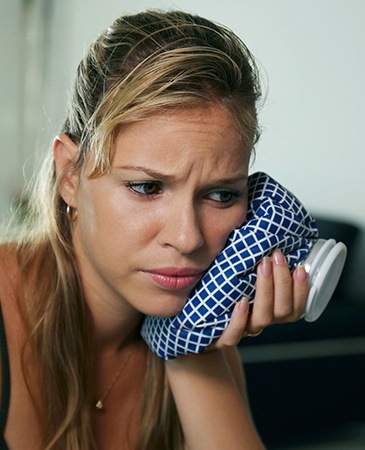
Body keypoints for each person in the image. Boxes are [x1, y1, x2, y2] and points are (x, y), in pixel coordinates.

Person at [0, 9, 310, 450]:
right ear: (70, 176)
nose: (188, 238)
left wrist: (191, 345)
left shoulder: (201, 334)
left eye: (221, 195)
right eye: (146, 187)